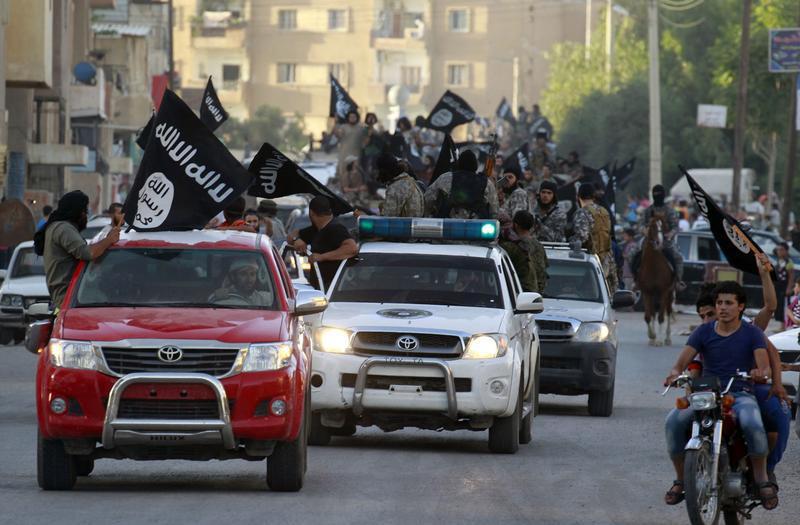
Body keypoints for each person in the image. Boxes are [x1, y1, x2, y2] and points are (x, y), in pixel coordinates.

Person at [663, 280, 781, 510]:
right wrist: (674, 373)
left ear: (741, 307)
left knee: (752, 423)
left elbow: (765, 366)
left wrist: (760, 372)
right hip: (706, 393)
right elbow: (682, 362)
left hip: (739, 393)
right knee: (673, 422)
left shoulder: (752, 333)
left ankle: (760, 478)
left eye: (729, 303)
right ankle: (680, 479)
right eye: (719, 303)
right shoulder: (703, 332)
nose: (723, 308)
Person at [33, 190, 120, 312]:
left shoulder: (60, 227)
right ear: (76, 211)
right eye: (84, 211)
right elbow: (89, 253)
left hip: (73, 300)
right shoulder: (63, 229)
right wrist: (109, 240)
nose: (86, 215)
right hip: (70, 302)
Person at [287, 196, 358, 291]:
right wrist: (296, 240)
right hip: (319, 288)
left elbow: (352, 248)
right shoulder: (316, 230)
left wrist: (322, 257)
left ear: (311, 213)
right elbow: (291, 235)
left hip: (333, 290)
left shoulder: (336, 228)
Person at [423, 150, 499, 219]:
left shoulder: (446, 178)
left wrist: (430, 215)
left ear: (459, 163)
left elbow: (427, 200)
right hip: (477, 228)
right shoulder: (486, 183)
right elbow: (494, 210)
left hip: (447, 225)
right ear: (476, 165)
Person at [570, 183, 617, 291]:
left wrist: (570, 241)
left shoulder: (582, 213)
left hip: (591, 264)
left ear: (578, 196)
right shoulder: (604, 212)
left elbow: (582, 238)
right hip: (608, 261)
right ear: (593, 196)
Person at [641, 184, 684, 289]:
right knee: (633, 253)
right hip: (650, 240)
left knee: (678, 257)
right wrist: (644, 230)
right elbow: (642, 224)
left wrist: (670, 234)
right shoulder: (648, 210)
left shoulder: (669, 210)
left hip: (666, 240)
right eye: (655, 194)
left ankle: (678, 281)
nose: (657, 196)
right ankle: (635, 280)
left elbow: (675, 227)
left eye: (658, 194)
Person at [499, 211, 548, 293]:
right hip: (536, 294)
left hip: (518, 293)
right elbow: (543, 270)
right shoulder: (539, 246)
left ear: (515, 225)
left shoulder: (510, 247)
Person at [377, 153, 424, 218]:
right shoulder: (409, 181)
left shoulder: (396, 188)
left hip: (404, 227)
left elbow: (387, 218)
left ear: (384, 171)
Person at [335, 110, 366, 183]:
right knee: (343, 173)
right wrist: (336, 123)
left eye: (354, 117)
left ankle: (353, 190)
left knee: (355, 173)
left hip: (356, 154)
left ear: (357, 118)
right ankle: (343, 190)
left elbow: (366, 139)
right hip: (344, 154)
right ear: (348, 118)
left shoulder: (361, 128)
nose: (352, 118)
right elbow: (338, 135)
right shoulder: (343, 127)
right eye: (350, 117)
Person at [773, 242, 793, 325]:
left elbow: (791, 277)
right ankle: (780, 324)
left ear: (786, 251)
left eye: (782, 250)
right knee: (778, 306)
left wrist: (788, 288)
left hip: (784, 287)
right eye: (778, 250)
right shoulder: (778, 261)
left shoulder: (789, 262)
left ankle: (783, 325)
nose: (779, 252)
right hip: (778, 287)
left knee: (783, 306)